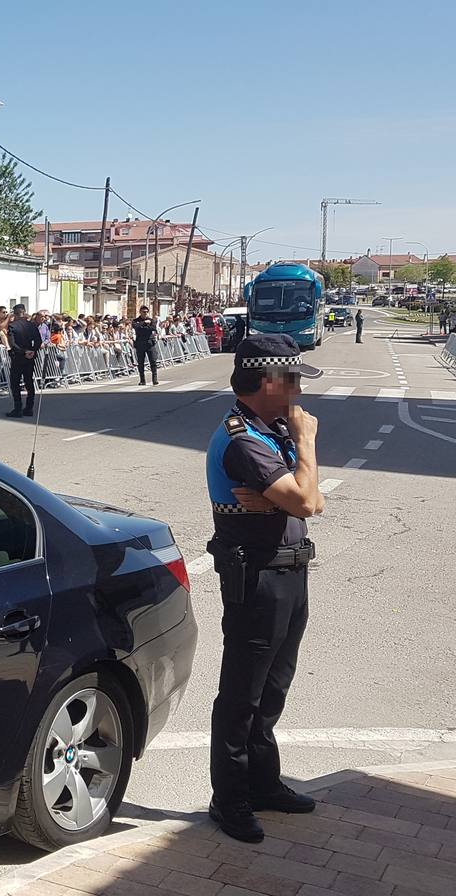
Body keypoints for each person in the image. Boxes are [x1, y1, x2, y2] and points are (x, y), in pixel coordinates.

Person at [204, 334, 325, 844]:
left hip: (289, 572)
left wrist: (289, 494)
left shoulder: (270, 430)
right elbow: (309, 504)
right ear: (267, 382)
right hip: (257, 576)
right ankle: (229, 799)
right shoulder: (242, 439)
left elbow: (306, 496)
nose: (299, 392)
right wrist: (307, 448)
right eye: (293, 380)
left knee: (273, 690)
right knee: (242, 695)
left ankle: (263, 782)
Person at [5, 303, 40, 418]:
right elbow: (38, 341)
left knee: (15, 382)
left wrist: (23, 352)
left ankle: (18, 408)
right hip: (30, 357)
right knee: (29, 382)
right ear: (24, 312)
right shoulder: (32, 325)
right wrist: (32, 351)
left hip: (19, 357)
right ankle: (29, 407)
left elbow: (12, 344)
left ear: (14, 314)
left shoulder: (12, 326)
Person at [132, 304, 159, 385]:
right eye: (144, 312)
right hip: (140, 344)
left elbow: (153, 328)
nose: (145, 313)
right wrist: (144, 323)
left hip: (150, 343)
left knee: (153, 361)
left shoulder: (151, 320)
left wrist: (143, 328)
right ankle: (142, 380)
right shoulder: (136, 320)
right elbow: (136, 327)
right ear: (140, 312)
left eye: (147, 312)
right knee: (141, 363)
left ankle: (154, 379)